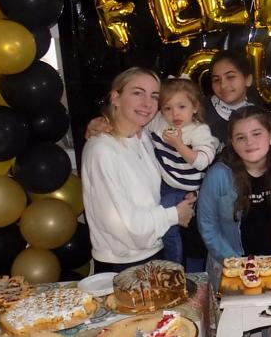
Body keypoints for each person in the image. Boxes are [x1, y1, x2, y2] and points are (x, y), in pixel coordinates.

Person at [81, 68, 195, 273]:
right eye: (137, 93)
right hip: (122, 265)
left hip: (156, 252)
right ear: (115, 97)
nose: (147, 103)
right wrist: (174, 214)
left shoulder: (144, 138)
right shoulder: (102, 150)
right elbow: (126, 227)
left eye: (154, 96)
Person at [198, 106, 271, 273]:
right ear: (232, 143)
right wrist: (237, 264)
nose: (249, 142)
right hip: (230, 264)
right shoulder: (217, 176)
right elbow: (208, 226)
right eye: (240, 137)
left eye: (256, 134)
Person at [148, 77, 219, 273]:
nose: (175, 114)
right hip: (165, 184)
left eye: (181, 106)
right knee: (165, 226)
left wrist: (179, 145)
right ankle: (173, 266)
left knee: (180, 233)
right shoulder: (158, 122)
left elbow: (202, 161)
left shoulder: (198, 130)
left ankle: (180, 270)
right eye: (167, 108)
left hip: (189, 189)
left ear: (194, 107)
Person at [202, 50, 260, 145]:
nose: (223, 85)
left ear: (248, 80)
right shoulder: (199, 112)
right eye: (216, 80)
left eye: (230, 77)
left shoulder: (258, 112)